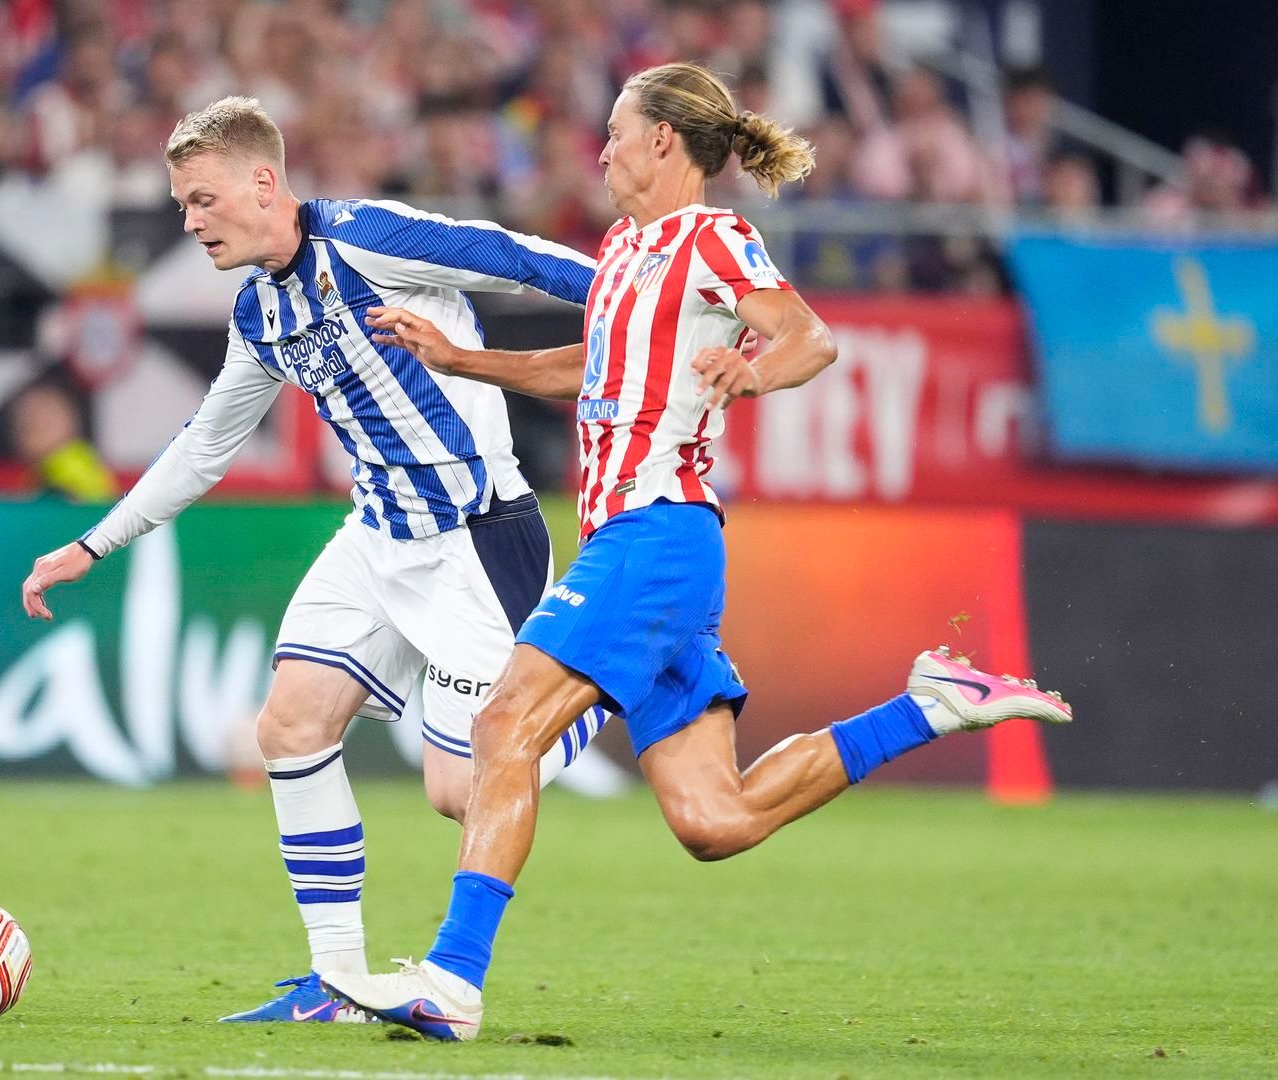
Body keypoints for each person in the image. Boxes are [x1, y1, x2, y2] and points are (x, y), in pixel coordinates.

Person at [320, 62, 1074, 1042]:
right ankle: (927, 704)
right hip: (652, 547)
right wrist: (465, 360)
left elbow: (810, 338)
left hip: (655, 533)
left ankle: (453, 981)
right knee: (713, 821)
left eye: (616, 132)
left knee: (504, 725)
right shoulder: (627, 248)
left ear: (664, 142)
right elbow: (586, 364)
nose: (602, 149)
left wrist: (750, 373)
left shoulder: (712, 238)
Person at [18, 96, 612, 1024]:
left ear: (264, 182)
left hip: (473, 535)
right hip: (376, 537)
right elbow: (205, 443)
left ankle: (598, 685)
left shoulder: (371, 242)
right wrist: (95, 543)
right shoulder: (259, 315)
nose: (190, 221)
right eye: (182, 205)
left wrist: (646, 304)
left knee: (460, 792)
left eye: (202, 199)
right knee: (290, 727)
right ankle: (337, 982)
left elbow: (513, 256)